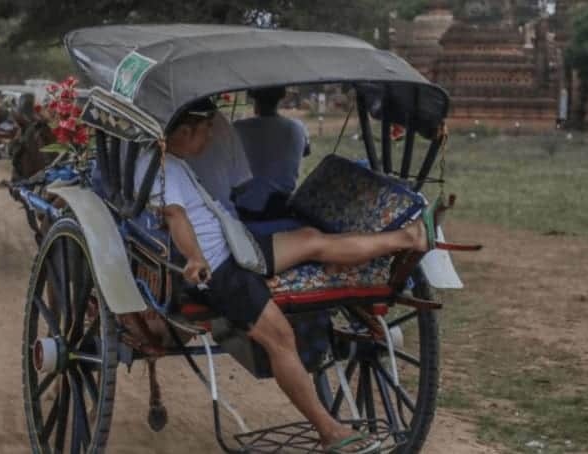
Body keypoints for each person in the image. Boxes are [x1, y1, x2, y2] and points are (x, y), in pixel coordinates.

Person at [134, 98, 432, 454]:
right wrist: (196, 257)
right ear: (185, 131)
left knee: (311, 240)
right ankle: (329, 430)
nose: (209, 141)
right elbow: (175, 216)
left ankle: (407, 237)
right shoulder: (162, 166)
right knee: (281, 340)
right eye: (206, 133)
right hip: (221, 270)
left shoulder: (167, 161)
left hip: (238, 246)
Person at [233, 86, 310, 221]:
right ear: (281, 97)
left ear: (254, 98)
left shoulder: (238, 128)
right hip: (281, 208)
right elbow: (305, 152)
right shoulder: (298, 127)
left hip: (244, 210)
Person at [184, 111, 252, 218]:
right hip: (223, 219)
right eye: (208, 127)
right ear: (185, 132)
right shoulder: (222, 123)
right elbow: (240, 184)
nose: (211, 135)